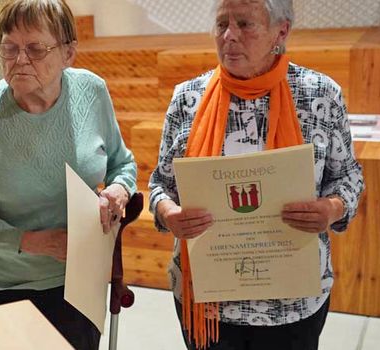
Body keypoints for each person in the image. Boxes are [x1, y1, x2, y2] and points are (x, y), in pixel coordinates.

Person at [148, 0, 365, 349]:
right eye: (222, 24)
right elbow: (160, 184)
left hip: (292, 304)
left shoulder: (321, 95)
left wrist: (332, 208)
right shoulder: (187, 98)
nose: (229, 36)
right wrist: (168, 213)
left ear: (282, 31)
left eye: (245, 24)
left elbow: (348, 176)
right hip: (207, 302)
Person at [0, 0, 136, 348]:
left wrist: (119, 189)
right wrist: (28, 242)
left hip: (80, 281)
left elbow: (123, 164)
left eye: (35, 48)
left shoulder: (91, 91)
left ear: (68, 53)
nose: (20, 60)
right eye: (9, 48)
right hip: (1, 286)